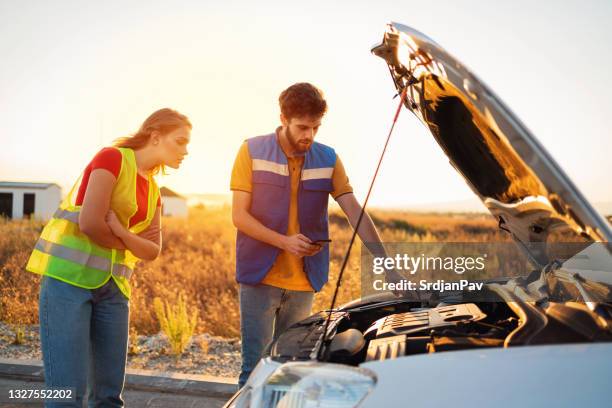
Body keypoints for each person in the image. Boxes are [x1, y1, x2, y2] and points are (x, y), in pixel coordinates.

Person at [26, 108, 191, 407]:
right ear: (155, 136)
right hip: (68, 283)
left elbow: (152, 250)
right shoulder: (111, 158)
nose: (185, 151)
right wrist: (130, 243)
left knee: (108, 398)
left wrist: (120, 232)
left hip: (115, 290)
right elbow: (90, 223)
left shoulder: (153, 189)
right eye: (180, 142)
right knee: (67, 396)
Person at [231, 82, 386, 388]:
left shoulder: (328, 158)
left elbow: (354, 210)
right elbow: (239, 216)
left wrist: (386, 263)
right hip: (259, 279)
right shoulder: (251, 150)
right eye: (302, 127)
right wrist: (284, 242)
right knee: (255, 371)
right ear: (283, 118)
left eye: (316, 127)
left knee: (290, 372)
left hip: (304, 283)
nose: (309, 136)